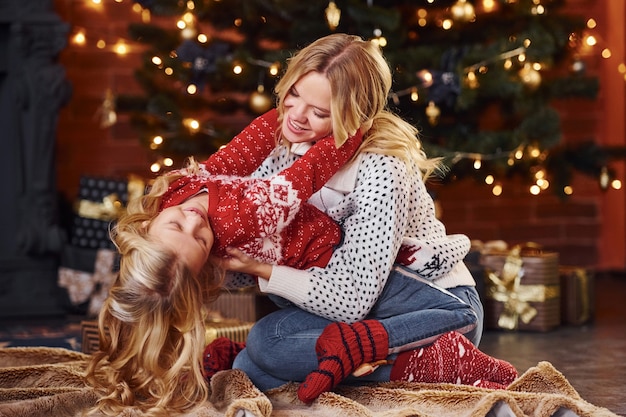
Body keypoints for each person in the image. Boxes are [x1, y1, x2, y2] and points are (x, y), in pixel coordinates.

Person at [205, 33, 517, 403]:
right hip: (353, 310)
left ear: (356, 116)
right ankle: (400, 366)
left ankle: (442, 362)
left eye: (320, 113)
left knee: (265, 343)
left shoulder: (383, 168)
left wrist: (262, 270)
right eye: (293, 95)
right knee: (258, 358)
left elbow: (351, 299)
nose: (297, 116)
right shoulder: (281, 151)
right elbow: (253, 245)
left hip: (431, 309)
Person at [84, 116, 363, 417]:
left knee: (261, 352)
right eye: (202, 242)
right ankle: (382, 347)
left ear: (147, 227)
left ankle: (371, 343)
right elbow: (310, 170)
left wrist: (289, 109)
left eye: (177, 225)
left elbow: (241, 153)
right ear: (206, 261)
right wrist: (354, 123)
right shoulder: (241, 217)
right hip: (328, 264)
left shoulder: (173, 196)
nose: (194, 220)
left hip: (312, 261)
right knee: (262, 349)